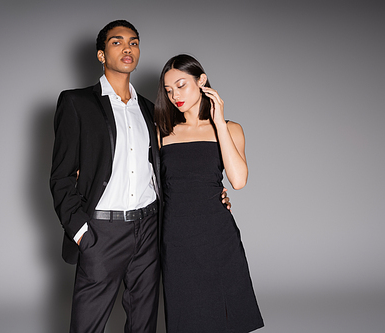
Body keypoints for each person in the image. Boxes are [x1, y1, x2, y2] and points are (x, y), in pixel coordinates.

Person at [50, 21, 230, 333]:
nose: (127, 48)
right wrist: (81, 233)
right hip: (100, 231)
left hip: (149, 228)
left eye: (133, 42)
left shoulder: (152, 111)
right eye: (117, 42)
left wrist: (213, 193)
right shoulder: (76, 103)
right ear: (101, 55)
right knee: (87, 326)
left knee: (143, 324)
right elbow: (61, 176)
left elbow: (172, 167)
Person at [154, 54, 264, 333]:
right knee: (186, 316)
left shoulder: (230, 129)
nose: (175, 96)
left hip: (217, 236)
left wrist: (218, 121)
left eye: (181, 85)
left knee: (226, 317)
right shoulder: (162, 132)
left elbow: (238, 181)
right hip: (176, 237)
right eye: (168, 91)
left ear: (201, 81)